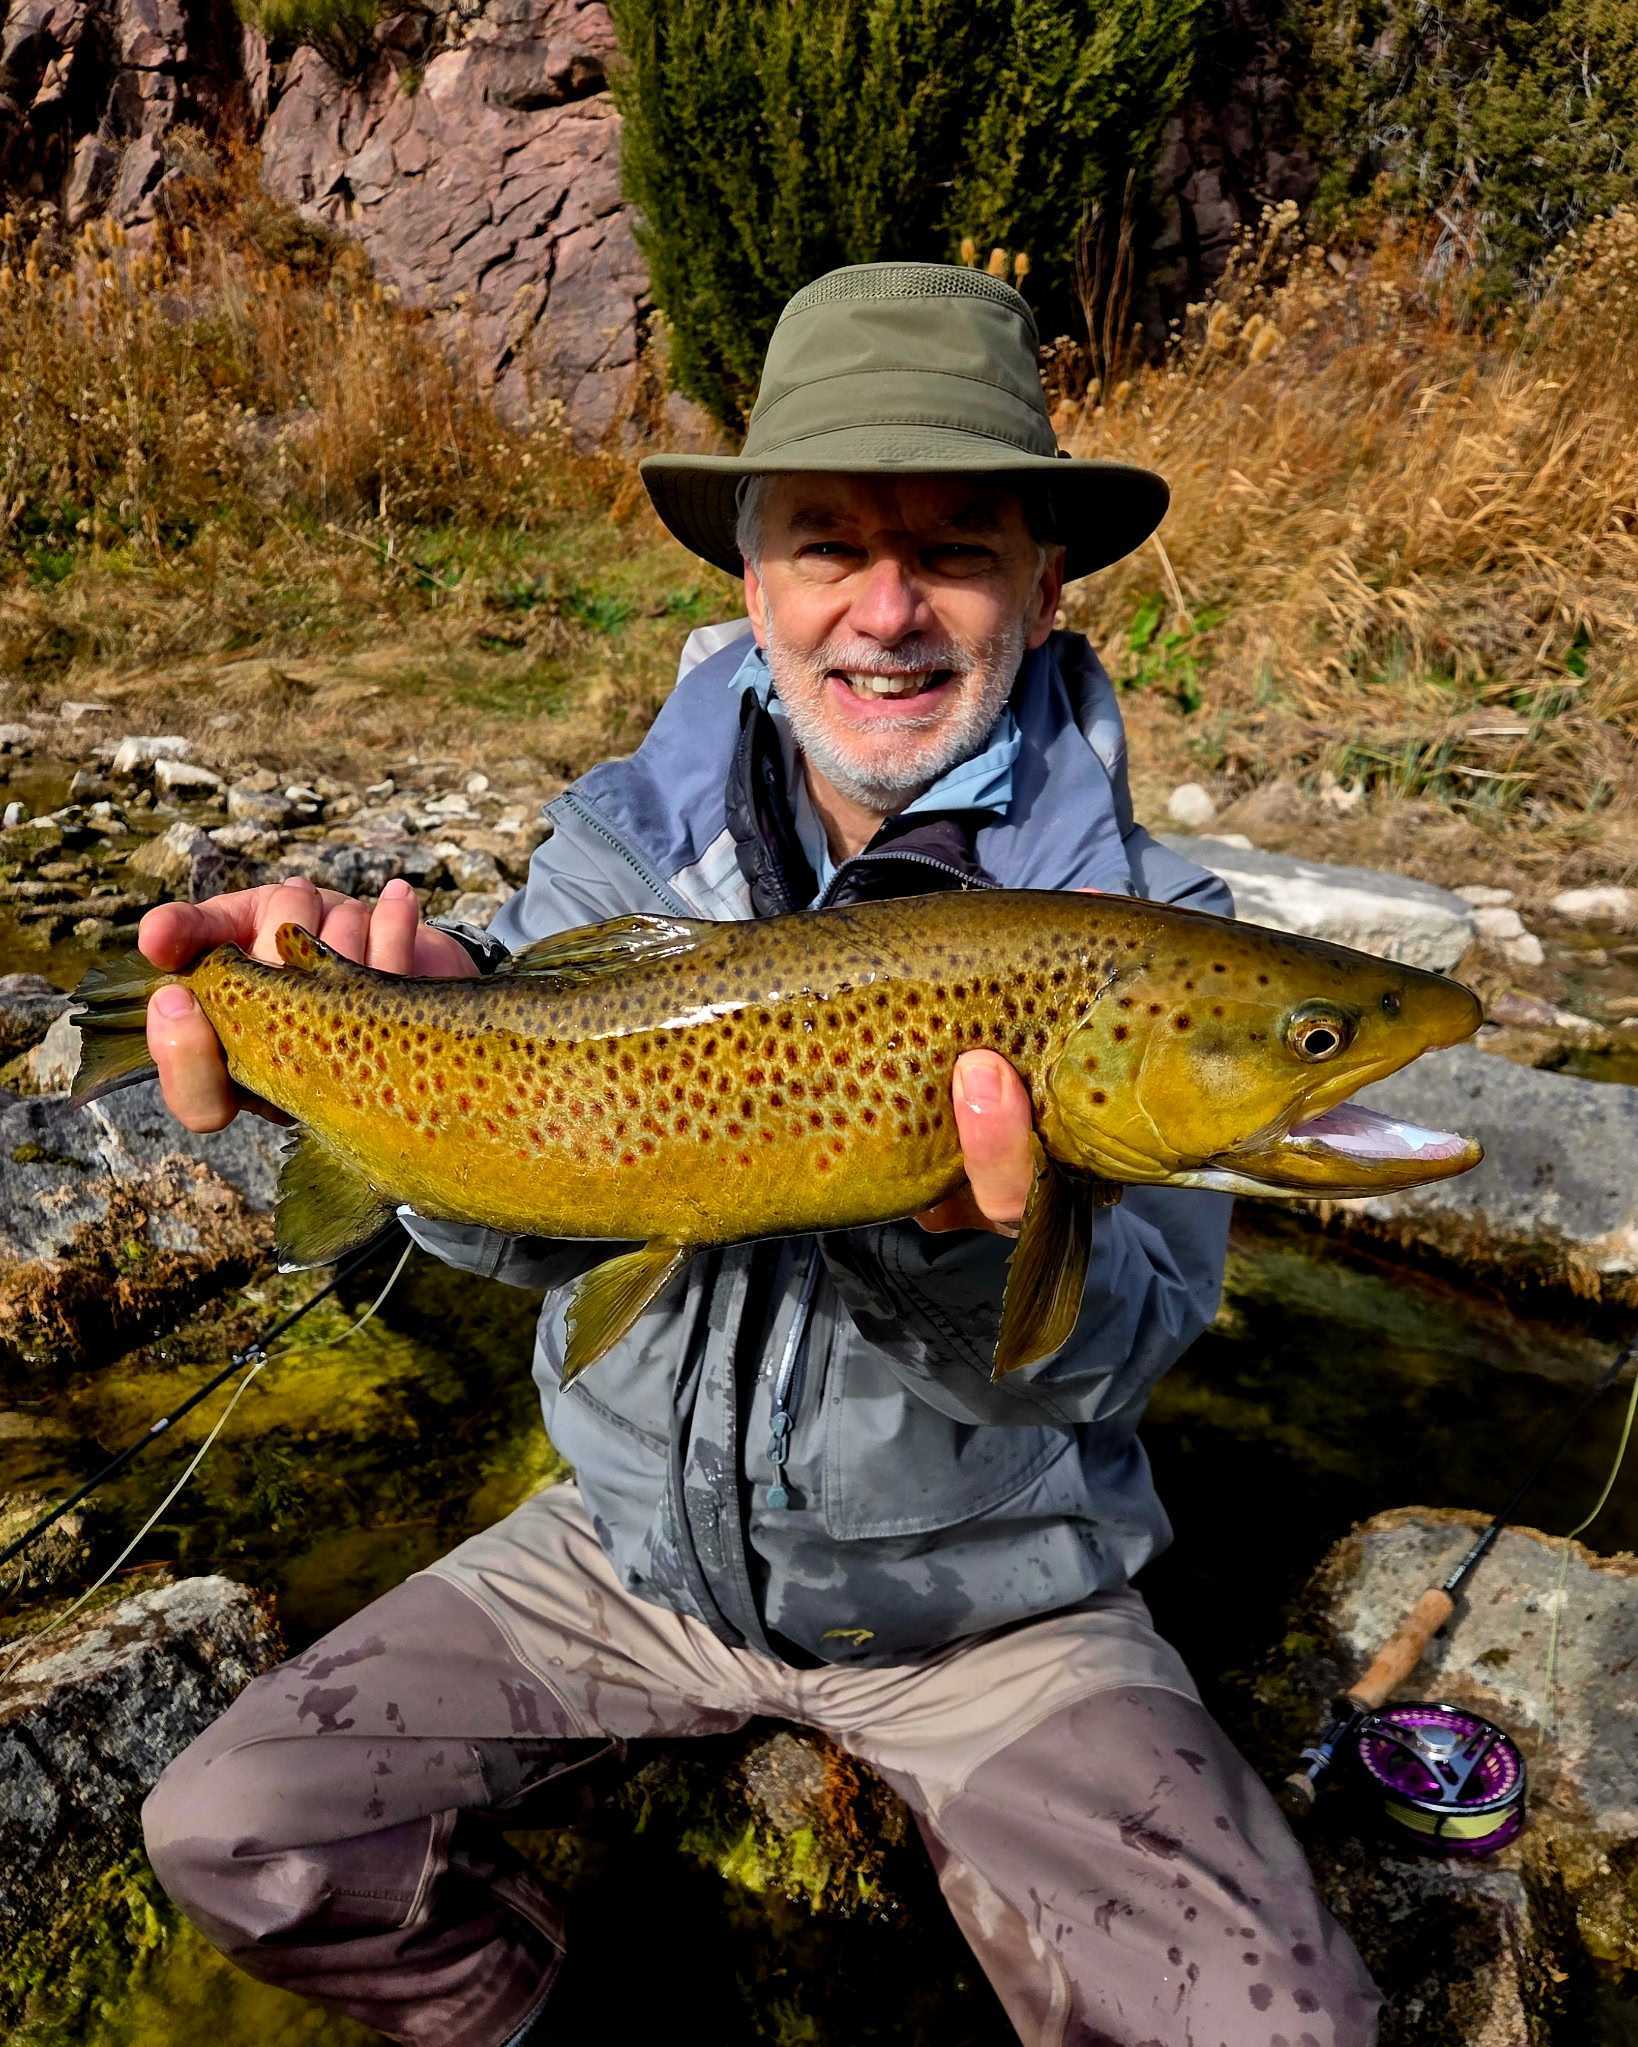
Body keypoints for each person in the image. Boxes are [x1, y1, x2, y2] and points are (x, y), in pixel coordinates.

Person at [138, 263, 1381, 2046]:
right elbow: (531, 1249)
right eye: (825, 546)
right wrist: (379, 1070)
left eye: (954, 548)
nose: (888, 611)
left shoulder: (1156, 938)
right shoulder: (610, 854)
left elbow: (1115, 1355)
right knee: (232, 1829)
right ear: (752, 580)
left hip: (988, 1609)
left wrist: (962, 1238)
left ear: (1044, 582)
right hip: (626, 1558)